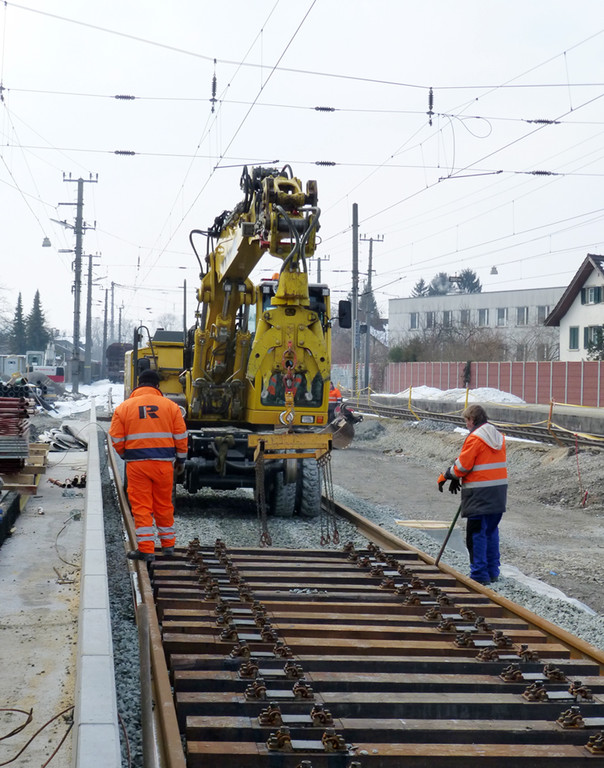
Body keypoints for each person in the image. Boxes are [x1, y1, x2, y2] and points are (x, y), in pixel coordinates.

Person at [109, 368, 188, 562]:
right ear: (157, 386)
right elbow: (181, 436)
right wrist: (181, 460)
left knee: (142, 506)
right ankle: (168, 546)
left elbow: (116, 437)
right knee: (164, 504)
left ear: (139, 384)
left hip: (137, 466)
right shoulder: (171, 407)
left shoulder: (124, 407)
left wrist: (124, 454)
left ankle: (147, 550)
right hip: (164, 465)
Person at [437, 404, 507, 585]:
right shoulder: (498, 437)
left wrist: (446, 475)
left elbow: (463, 466)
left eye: (466, 421)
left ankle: (479, 576)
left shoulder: (475, 438)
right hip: (498, 492)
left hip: (479, 493)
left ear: (472, 420)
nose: (466, 425)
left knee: (476, 534)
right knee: (491, 532)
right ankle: (492, 572)